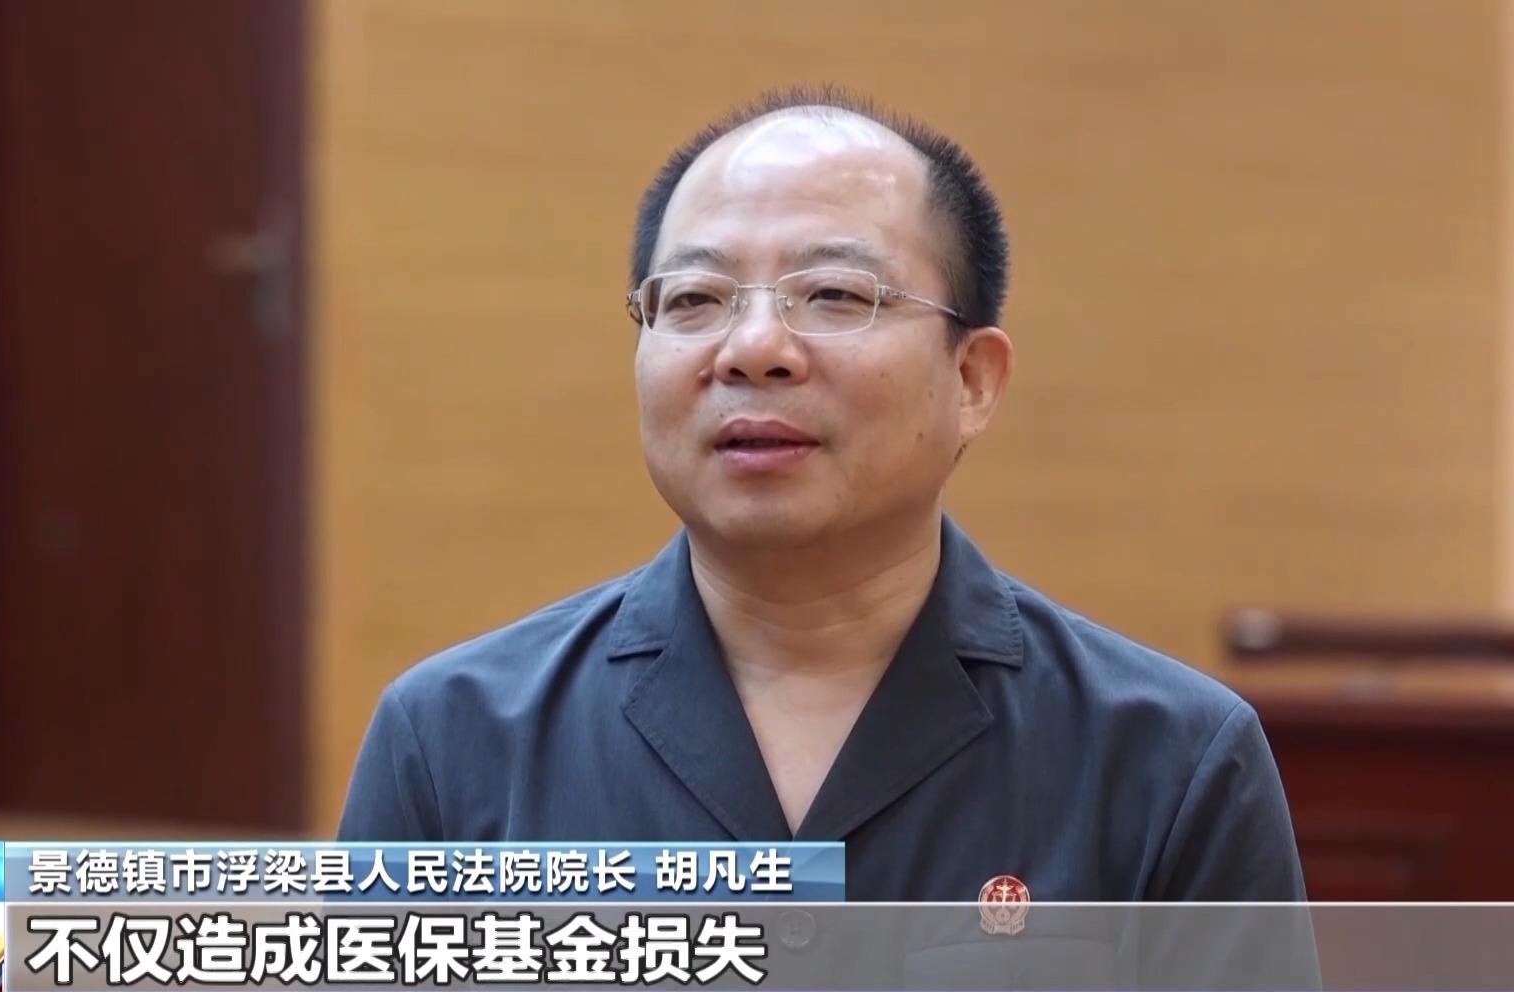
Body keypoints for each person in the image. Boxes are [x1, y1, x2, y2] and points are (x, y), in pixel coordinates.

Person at [337, 86, 1307, 902]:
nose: (753, 348)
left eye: (836, 294)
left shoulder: (1169, 761)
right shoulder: (454, 741)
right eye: (695, 300)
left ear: (972, 379)